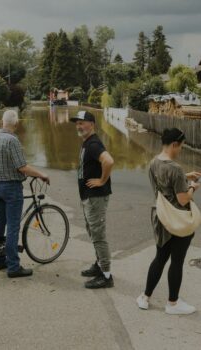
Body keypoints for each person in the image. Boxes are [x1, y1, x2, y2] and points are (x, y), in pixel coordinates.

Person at [137, 128, 200, 315]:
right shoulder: (175, 168)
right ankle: (173, 303)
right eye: (181, 146)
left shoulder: (153, 162)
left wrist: (184, 177)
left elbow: (163, 185)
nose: (181, 149)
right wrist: (192, 187)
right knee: (177, 261)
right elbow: (182, 199)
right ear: (174, 144)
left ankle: (145, 297)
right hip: (177, 221)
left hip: (161, 218)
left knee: (160, 258)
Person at [0, 110, 49, 278]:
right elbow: (22, 167)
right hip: (12, 189)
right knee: (13, 227)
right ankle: (13, 267)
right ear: (16, 124)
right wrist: (41, 174)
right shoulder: (12, 141)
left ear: (2, 122)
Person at [70, 110, 115, 289]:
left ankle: (106, 276)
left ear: (92, 124)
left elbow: (109, 161)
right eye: (77, 123)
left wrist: (102, 180)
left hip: (96, 197)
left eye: (82, 122)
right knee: (92, 231)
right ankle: (99, 265)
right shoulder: (87, 142)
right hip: (89, 197)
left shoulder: (94, 143)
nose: (79, 126)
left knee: (98, 235)